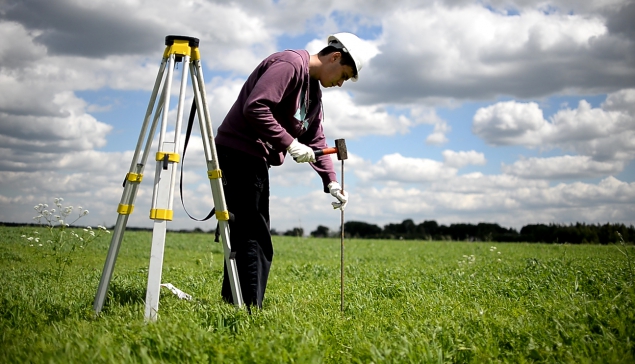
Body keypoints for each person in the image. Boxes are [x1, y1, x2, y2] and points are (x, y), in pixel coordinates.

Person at [214, 32, 368, 309]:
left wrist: (331, 181)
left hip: (254, 158)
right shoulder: (289, 65)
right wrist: (290, 144)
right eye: (344, 75)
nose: (341, 84)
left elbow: (317, 139)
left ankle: (234, 302)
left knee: (246, 230)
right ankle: (248, 309)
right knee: (254, 234)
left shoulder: (313, 92)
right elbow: (256, 107)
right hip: (238, 151)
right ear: (335, 57)